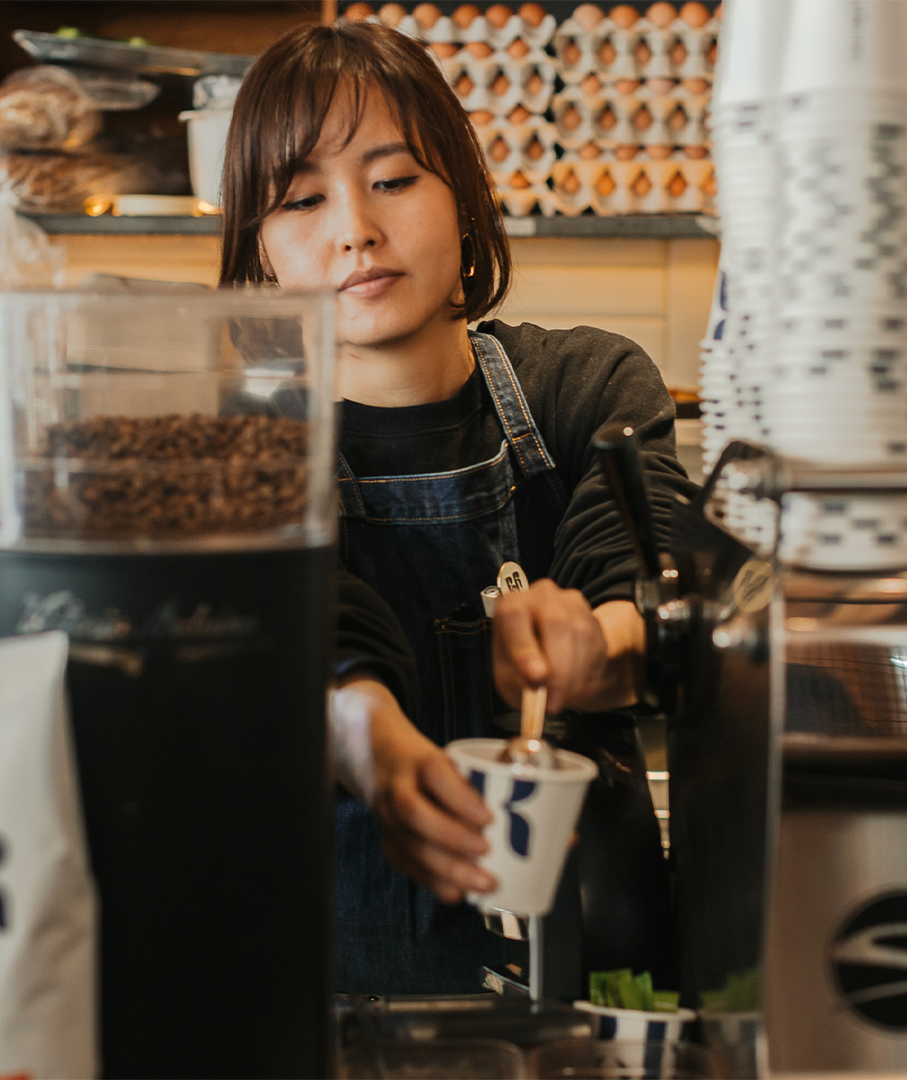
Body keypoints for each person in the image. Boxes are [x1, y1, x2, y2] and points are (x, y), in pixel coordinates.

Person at [219, 19, 697, 996]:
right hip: (342, 1000)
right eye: (304, 199)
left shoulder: (588, 382)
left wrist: (592, 646)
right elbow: (310, 627)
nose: (355, 228)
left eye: (394, 179)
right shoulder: (248, 441)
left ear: (466, 199)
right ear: (261, 254)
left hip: (596, 996)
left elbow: (658, 588)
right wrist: (377, 751)